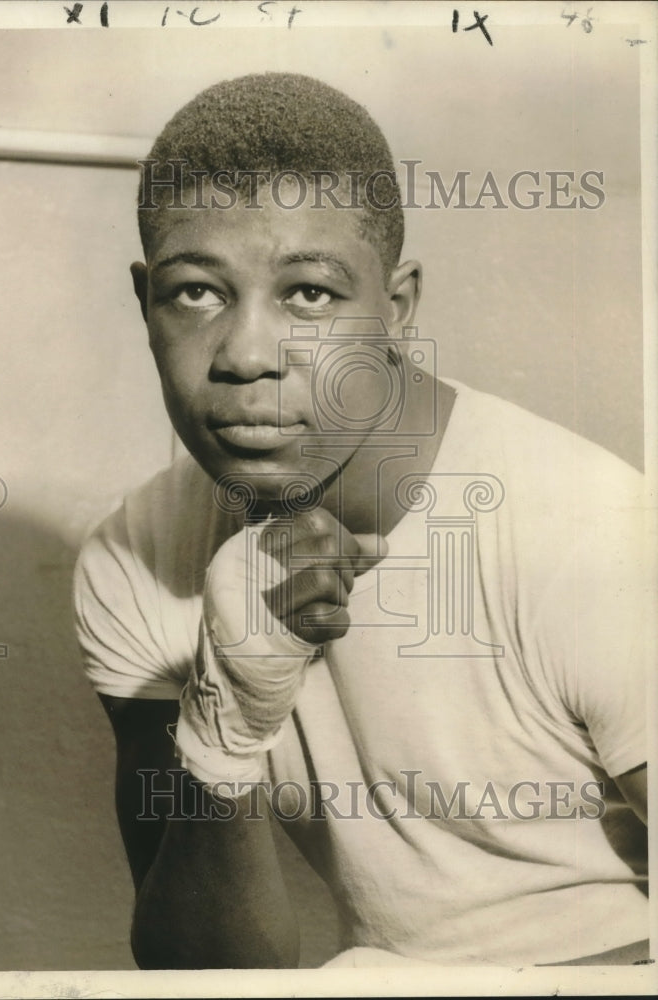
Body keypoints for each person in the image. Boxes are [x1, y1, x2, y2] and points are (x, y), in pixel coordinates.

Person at [73, 73, 649, 968]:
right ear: (144, 302)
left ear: (397, 310)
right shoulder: (134, 555)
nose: (246, 358)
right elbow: (205, 976)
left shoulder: (585, 529)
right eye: (196, 293)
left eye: (308, 294)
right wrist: (225, 723)